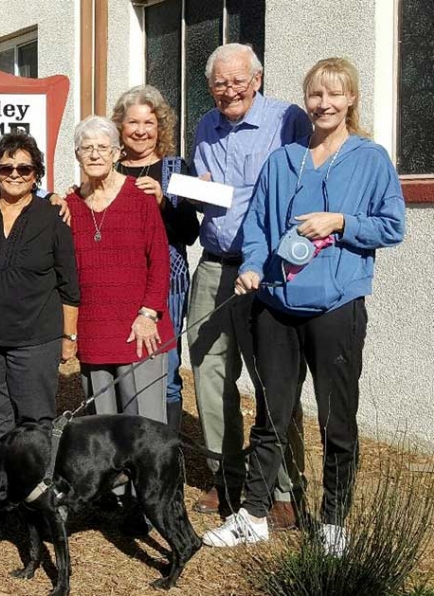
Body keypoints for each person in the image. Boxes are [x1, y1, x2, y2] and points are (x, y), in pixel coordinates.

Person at [203, 57, 405, 554]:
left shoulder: (370, 158)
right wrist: (252, 264)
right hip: (276, 303)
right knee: (272, 414)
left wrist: (340, 222)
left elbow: (392, 225)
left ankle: (334, 523)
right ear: (306, 100)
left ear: (351, 99)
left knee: (337, 418)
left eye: (335, 95)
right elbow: (256, 228)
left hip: (336, 307)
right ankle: (253, 515)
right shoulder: (283, 159)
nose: (324, 104)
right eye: (316, 95)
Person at [188, 43, 312, 525]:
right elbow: (210, 192)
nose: (229, 90)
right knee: (208, 370)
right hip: (216, 262)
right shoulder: (204, 125)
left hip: (271, 267)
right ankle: (228, 479)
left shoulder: (290, 121)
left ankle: (283, 488)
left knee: (273, 378)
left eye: (238, 80)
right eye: (220, 83)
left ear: (257, 79)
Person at [0, 131, 79, 450]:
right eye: (6, 168)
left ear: (36, 176)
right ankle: (1, 493)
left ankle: (36, 493)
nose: (15, 174)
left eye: (24, 169)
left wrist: (68, 337)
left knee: (35, 421)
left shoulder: (53, 215)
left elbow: (68, 283)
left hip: (35, 339)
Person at [66, 115, 173, 426]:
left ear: (116, 153)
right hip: (94, 332)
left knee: (145, 431)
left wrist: (149, 313)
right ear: (77, 155)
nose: (95, 154)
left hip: (141, 330)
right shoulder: (68, 205)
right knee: (102, 434)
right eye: (87, 148)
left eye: (103, 147)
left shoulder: (139, 197)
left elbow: (160, 259)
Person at [111, 85, 200, 431]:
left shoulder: (177, 169)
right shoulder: (109, 167)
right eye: (133, 122)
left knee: (165, 365)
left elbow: (189, 233)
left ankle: (165, 456)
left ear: (160, 127)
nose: (141, 130)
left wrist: (164, 202)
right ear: (120, 127)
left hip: (167, 284)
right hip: (118, 284)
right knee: (121, 361)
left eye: (149, 123)